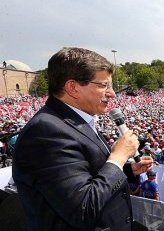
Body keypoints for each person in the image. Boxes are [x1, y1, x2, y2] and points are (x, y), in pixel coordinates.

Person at [12, 47, 153, 231]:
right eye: (103, 85)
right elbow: (83, 208)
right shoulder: (45, 132)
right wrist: (118, 158)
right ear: (73, 87)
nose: (112, 93)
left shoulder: (76, 120)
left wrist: (125, 169)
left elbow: (86, 174)